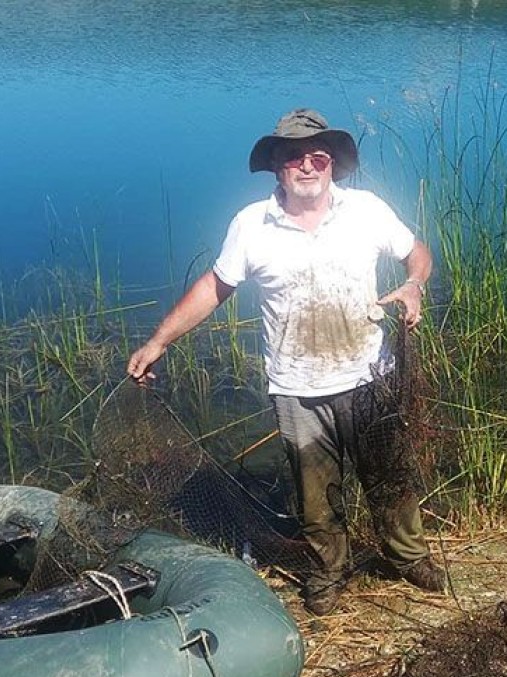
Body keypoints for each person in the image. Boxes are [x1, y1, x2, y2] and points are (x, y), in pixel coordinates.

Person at [126, 108, 443, 614]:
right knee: (315, 502)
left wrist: (413, 285)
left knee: (391, 480)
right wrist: (159, 340)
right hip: (298, 388)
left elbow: (417, 252)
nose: (308, 165)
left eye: (318, 155)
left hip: (371, 377)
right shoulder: (251, 225)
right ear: (277, 165)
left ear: (333, 163)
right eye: (294, 156)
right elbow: (214, 287)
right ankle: (329, 573)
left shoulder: (366, 210)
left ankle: (409, 557)